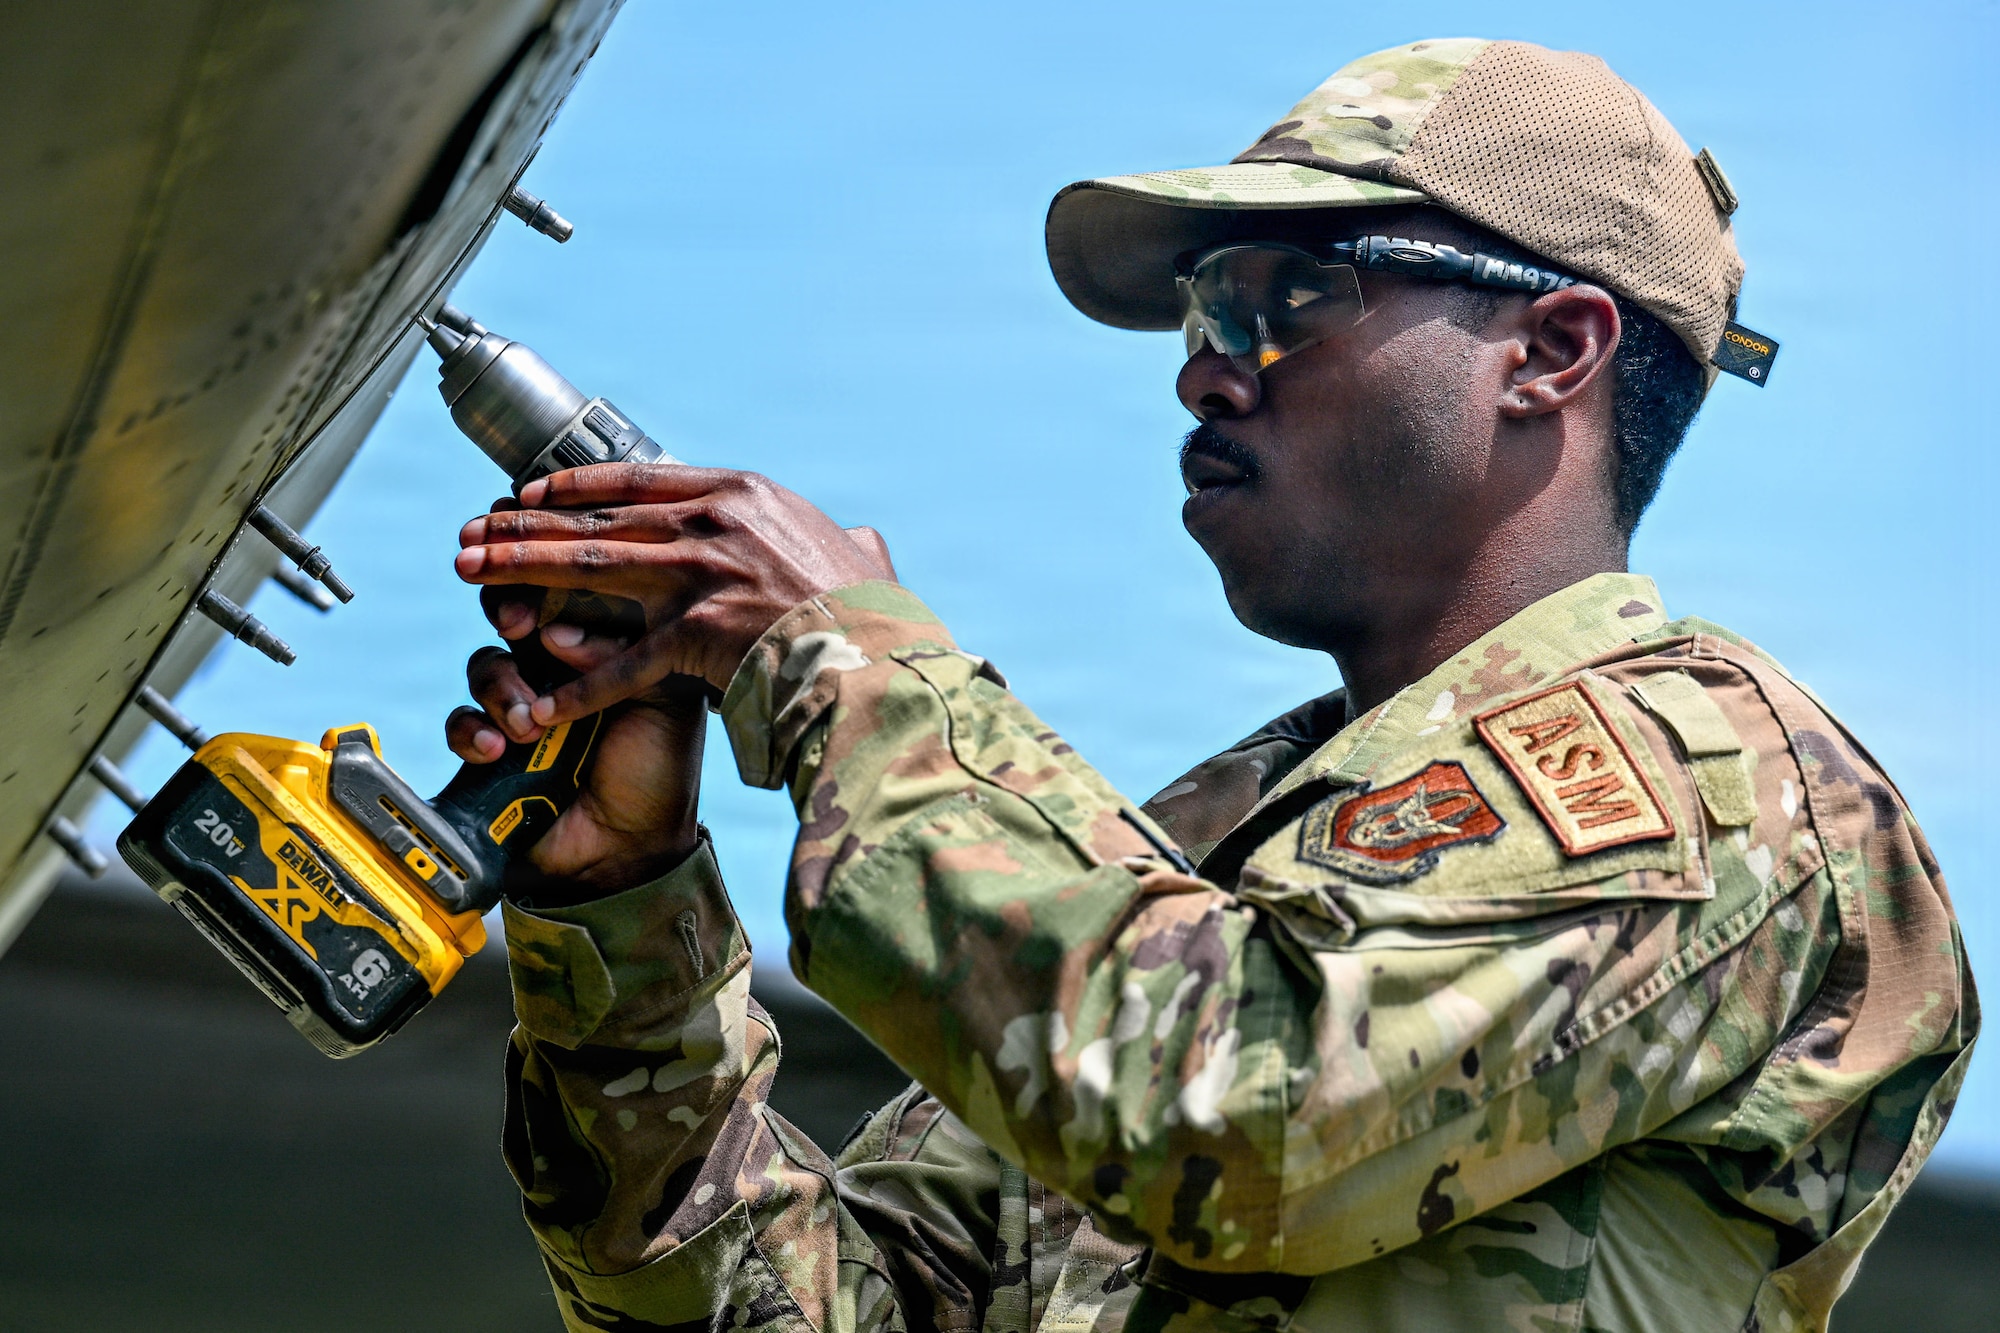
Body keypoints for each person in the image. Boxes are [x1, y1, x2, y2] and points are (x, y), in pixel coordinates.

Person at [445, 38, 1977, 1333]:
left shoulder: (1725, 788)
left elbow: (1244, 1118)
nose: (1204, 366)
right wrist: (629, 908)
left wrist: (843, 656)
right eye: (1200, 311)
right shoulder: (1205, 864)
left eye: (1282, 293)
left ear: (1554, 350)